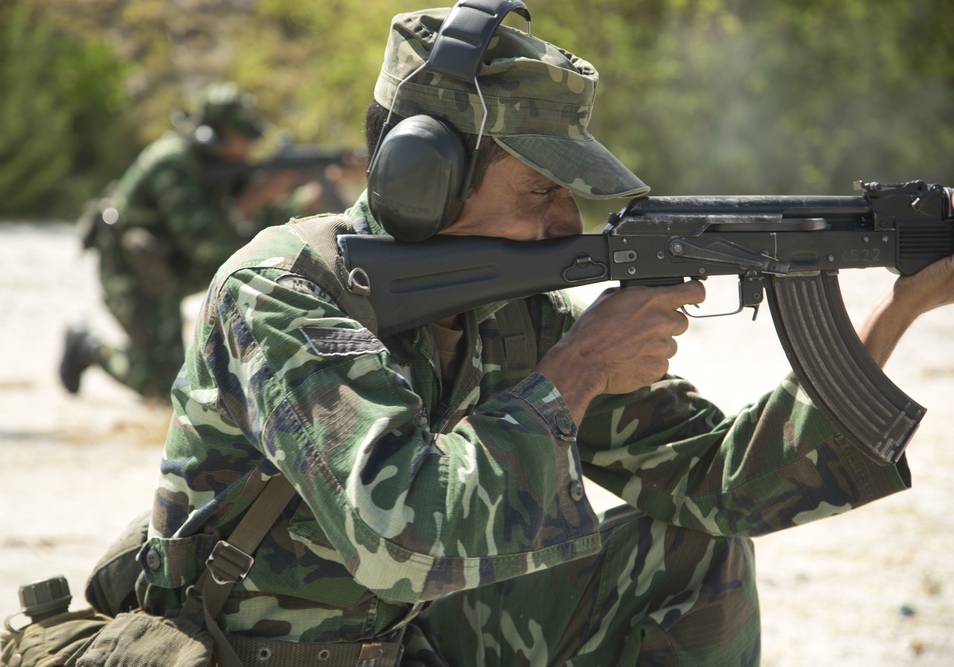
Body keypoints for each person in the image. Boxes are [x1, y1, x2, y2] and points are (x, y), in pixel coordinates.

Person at [126, 7, 954, 666]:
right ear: (424, 183)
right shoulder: (282, 296)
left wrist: (895, 313)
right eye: (539, 191)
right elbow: (401, 538)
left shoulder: (508, 316)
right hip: (250, 653)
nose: (566, 221)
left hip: (404, 641)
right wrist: (583, 365)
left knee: (693, 543)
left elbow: (719, 484)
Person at [58, 82, 325, 400]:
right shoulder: (172, 163)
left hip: (166, 268)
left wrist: (304, 200)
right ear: (215, 134)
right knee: (160, 384)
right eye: (241, 138)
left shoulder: (225, 166)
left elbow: (260, 229)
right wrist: (254, 198)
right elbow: (203, 240)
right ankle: (88, 346)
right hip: (129, 270)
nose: (248, 148)